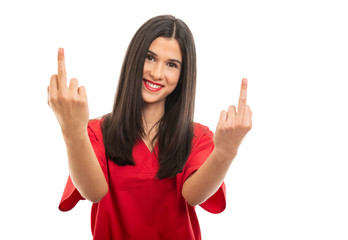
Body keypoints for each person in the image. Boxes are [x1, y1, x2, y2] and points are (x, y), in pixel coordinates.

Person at [47, 15, 252, 240]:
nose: (156, 73)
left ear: (183, 76)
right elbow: (93, 192)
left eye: (172, 65)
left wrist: (225, 152)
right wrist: (72, 131)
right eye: (150, 58)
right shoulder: (97, 133)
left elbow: (194, 195)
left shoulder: (198, 138)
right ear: (134, 60)